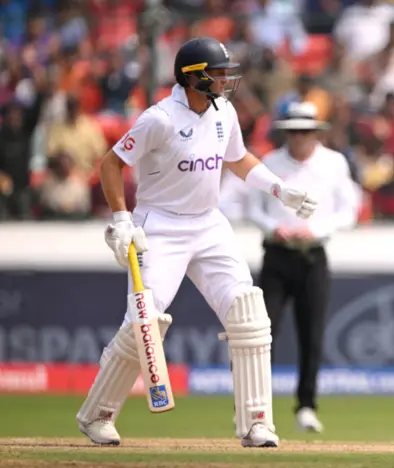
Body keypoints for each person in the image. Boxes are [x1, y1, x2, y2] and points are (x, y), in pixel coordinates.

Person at [75, 37, 318, 449]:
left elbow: (238, 160)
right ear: (193, 76)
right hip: (160, 227)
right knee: (143, 322)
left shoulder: (224, 112)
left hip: (209, 224)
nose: (226, 80)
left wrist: (280, 189)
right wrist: (121, 219)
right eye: (218, 73)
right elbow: (112, 164)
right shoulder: (160, 119)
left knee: (249, 314)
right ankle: (97, 415)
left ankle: (257, 423)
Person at [247, 102, 360, 433]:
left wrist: (316, 230)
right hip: (277, 256)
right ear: (286, 133)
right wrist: (273, 228)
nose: (299, 138)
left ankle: (307, 405)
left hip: (313, 255)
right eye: (294, 131)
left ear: (315, 133)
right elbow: (253, 208)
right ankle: (257, 406)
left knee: (311, 334)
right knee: (263, 333)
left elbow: (349, 211)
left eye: (305, 131)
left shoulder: (334, 163)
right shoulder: (270, 163)